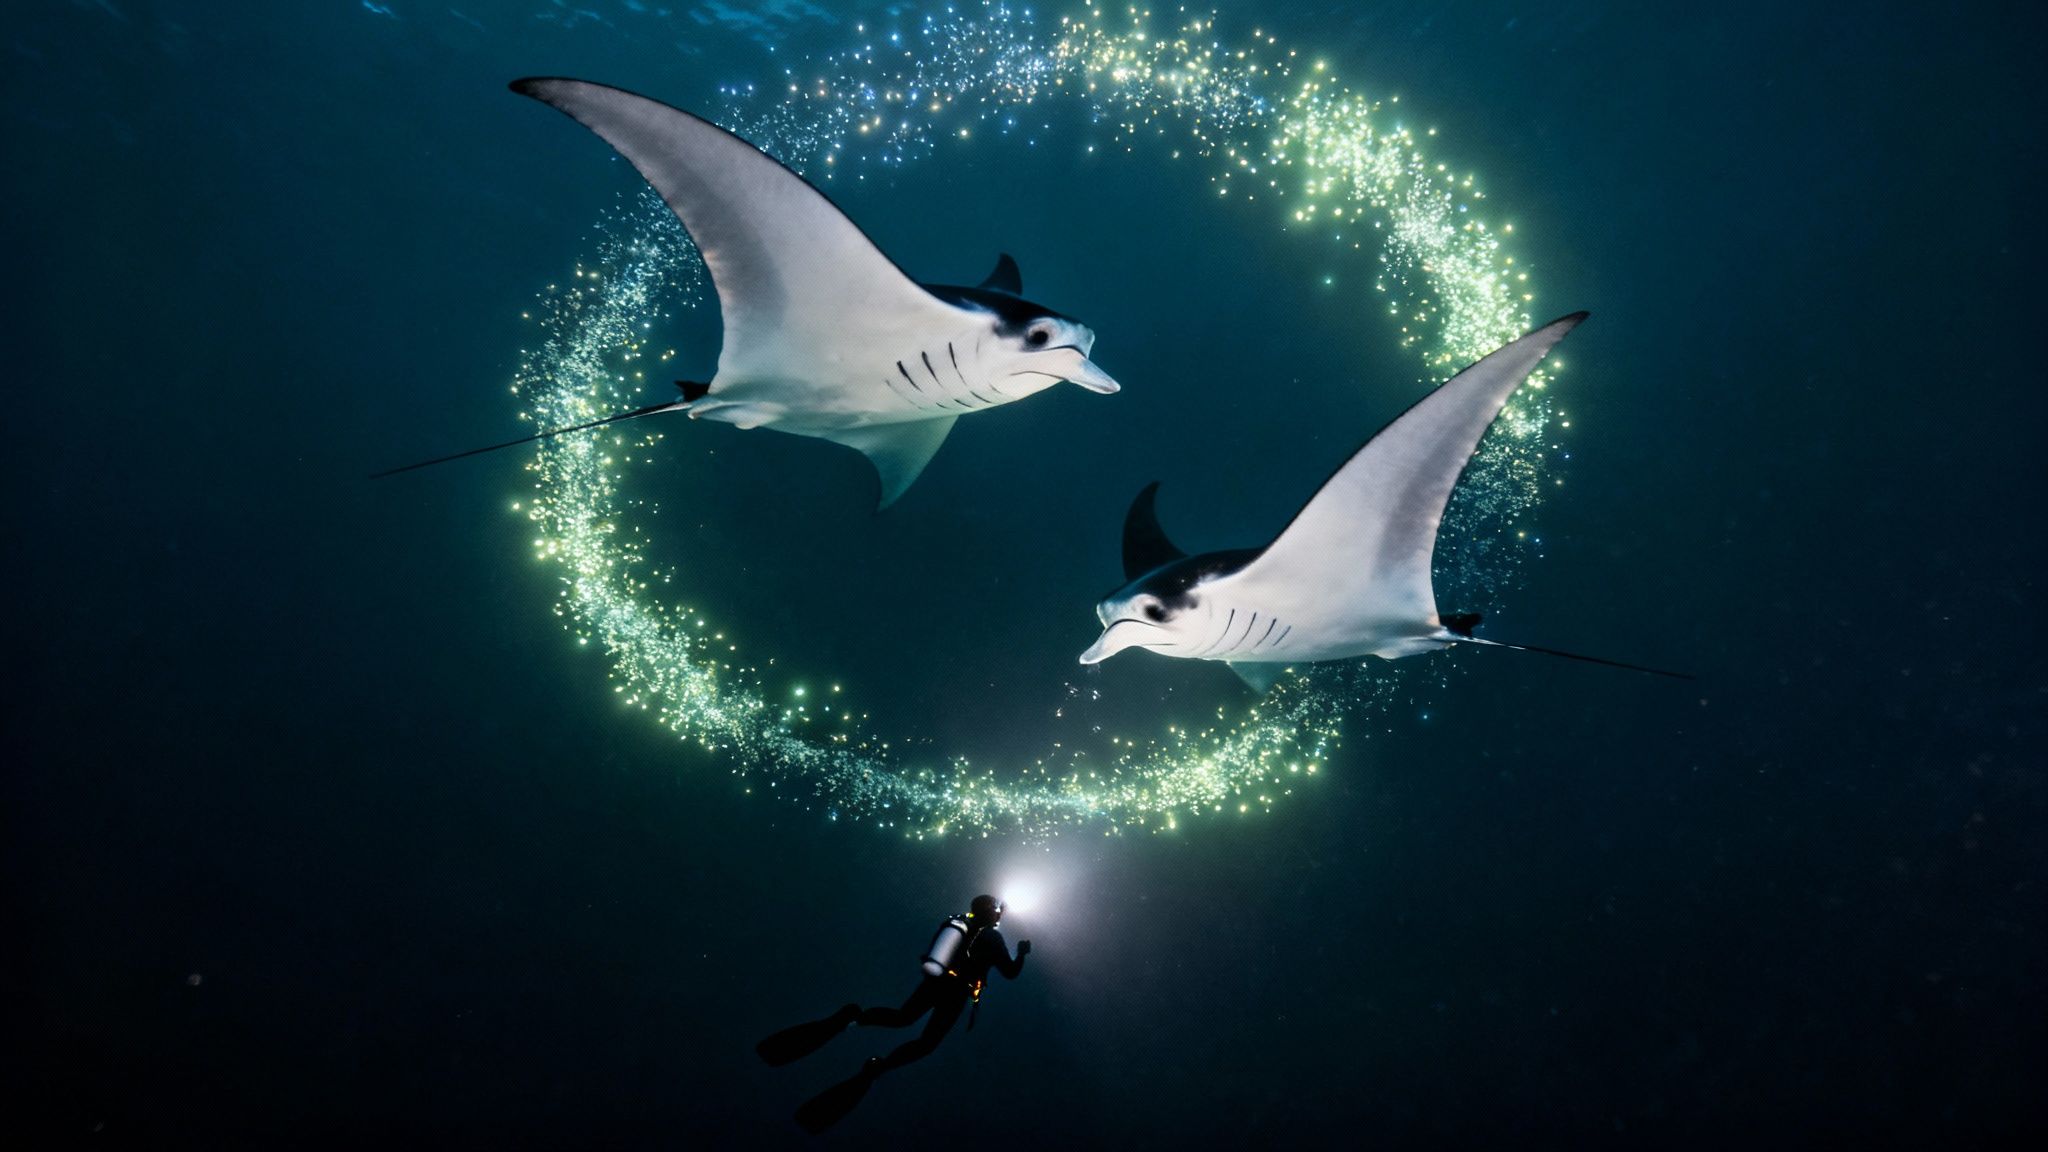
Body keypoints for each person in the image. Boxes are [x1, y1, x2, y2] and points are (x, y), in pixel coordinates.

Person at [758, 894, 1031, 1133]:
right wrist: (1021, 953)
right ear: (990, 912)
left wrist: (998, 913)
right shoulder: (992, 937)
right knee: (926, 1044)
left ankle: (853, 1018)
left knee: (902, 1017)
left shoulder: (964, 924)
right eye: (996, 910)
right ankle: (880, 1066)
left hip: (935, 983)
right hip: (956, 993)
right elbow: (1010, 972)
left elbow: (959, 944)